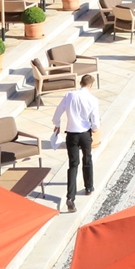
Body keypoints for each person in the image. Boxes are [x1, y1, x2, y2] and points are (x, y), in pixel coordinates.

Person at [53, 73, 100, 212]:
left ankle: (70, 197)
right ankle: (89, 187)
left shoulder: (69, 95)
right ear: (91, 85)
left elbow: (58, 112)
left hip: (71, 134)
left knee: (73, 165)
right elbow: (95, 121)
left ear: (80, 83)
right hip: (85, 134)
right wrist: (95, 128)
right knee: (87, 159)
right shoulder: (92, 99)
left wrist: (57, 123)